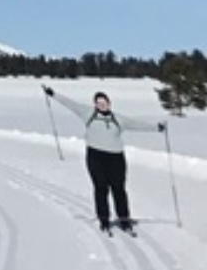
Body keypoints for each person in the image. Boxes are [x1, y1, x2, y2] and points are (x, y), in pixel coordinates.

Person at [43, 86, 166, 233]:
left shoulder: (118, 119)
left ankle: (124, 219)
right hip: (95, 156)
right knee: (101, 188)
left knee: (118, 189)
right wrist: (53, 94)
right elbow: (71, 104)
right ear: (95, 104)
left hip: (116, 158)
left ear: (109, 103)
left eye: (104, 102)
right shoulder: (88, 114)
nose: (102, 105)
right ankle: (104, 219)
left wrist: (157, 128)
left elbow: (136, 124)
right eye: (99, 103)